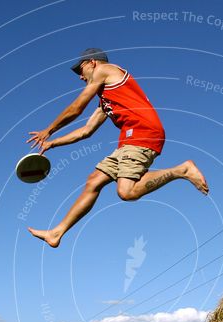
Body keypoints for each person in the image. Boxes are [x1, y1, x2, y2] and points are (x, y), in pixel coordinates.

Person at [26, 48, 209, 248]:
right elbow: (86, 131)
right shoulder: (106, 99)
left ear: (93, 63)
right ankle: (56, 233)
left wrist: (49, 130)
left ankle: (181, 170)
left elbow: (77, 107)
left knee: (126, 192)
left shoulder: (104, 70)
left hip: (144, 131)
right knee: (94, 181)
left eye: (81, 69)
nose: (80, 76)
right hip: (128, 141)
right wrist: (53, 143)